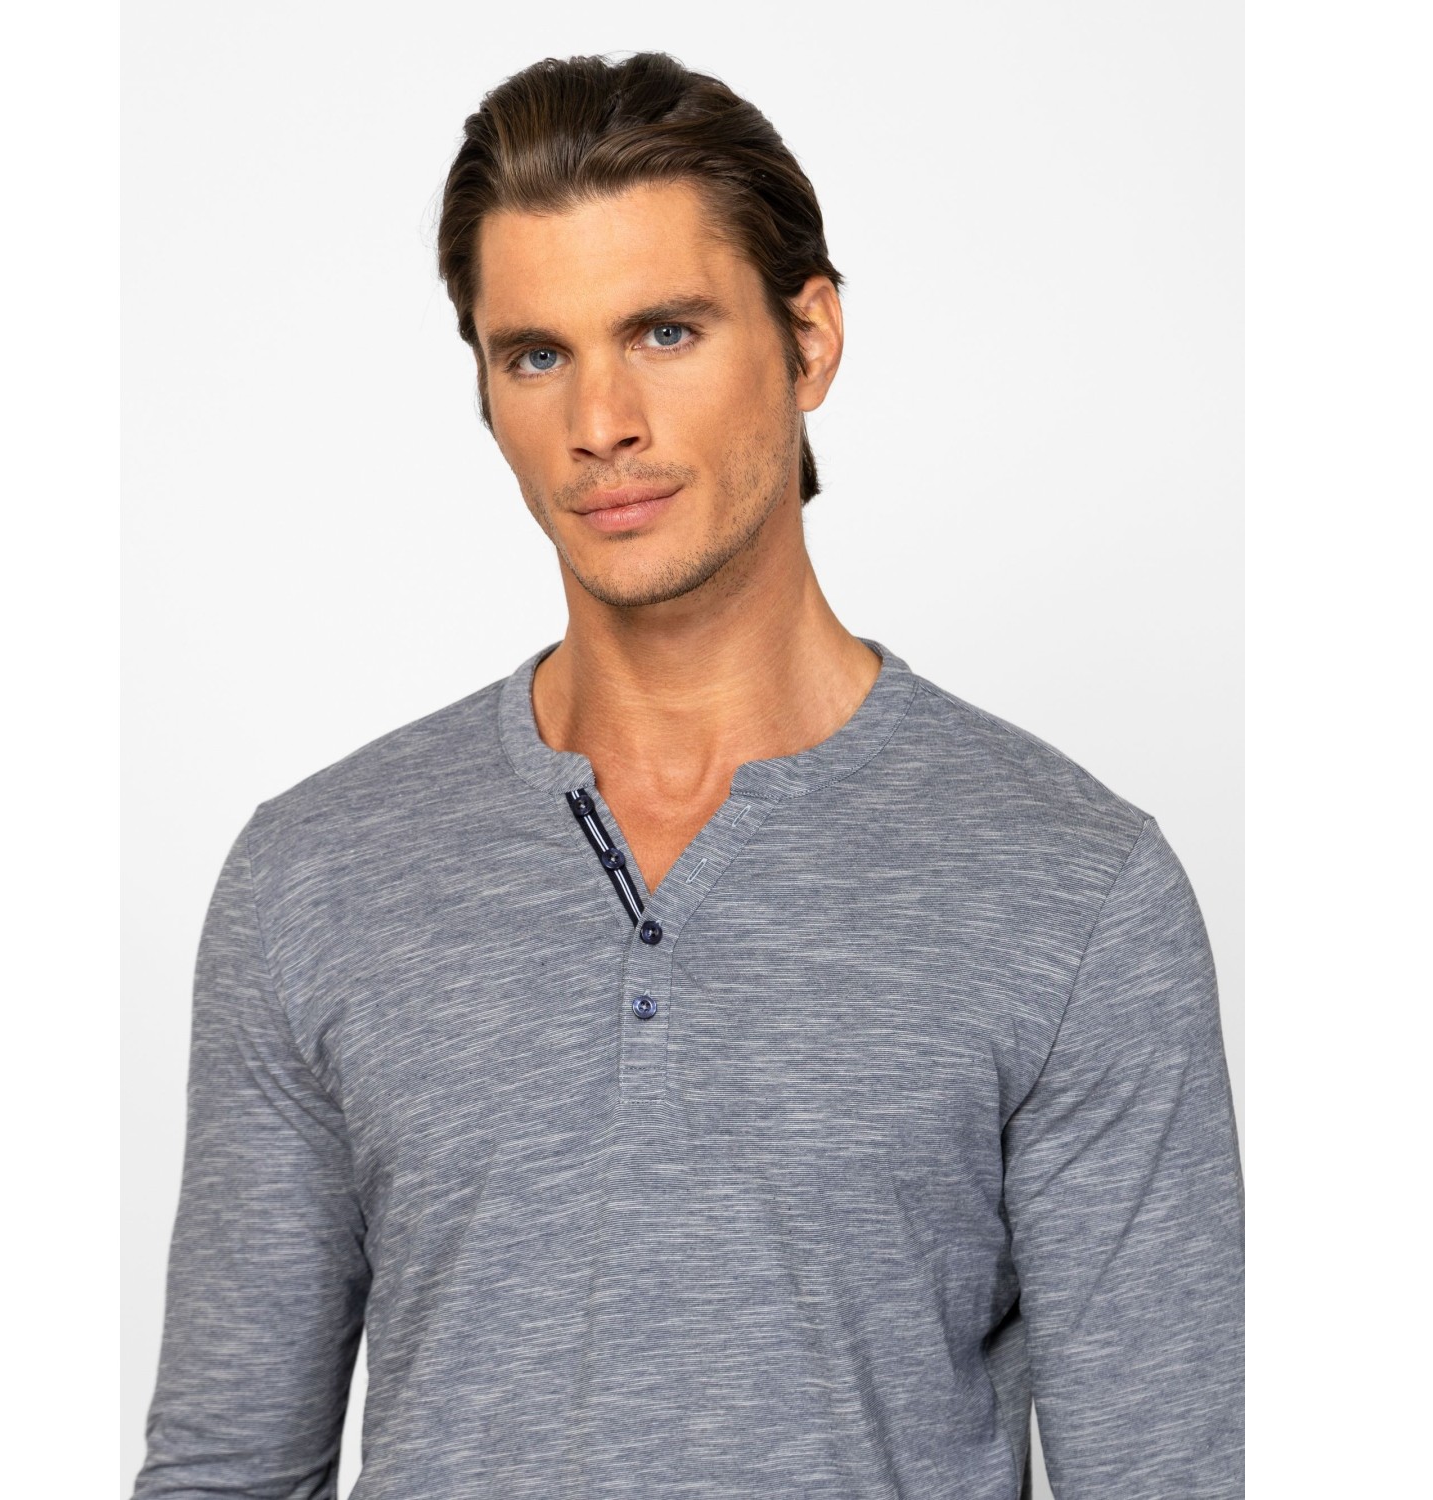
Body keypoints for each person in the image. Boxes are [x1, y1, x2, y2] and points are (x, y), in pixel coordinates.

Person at [133, 50, 1244, 1500]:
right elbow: (223, 1471)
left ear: (810, 338)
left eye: (664, 332)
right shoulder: (316, 877)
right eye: (536, 354)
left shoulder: (1076, 893)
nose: (601, 422)